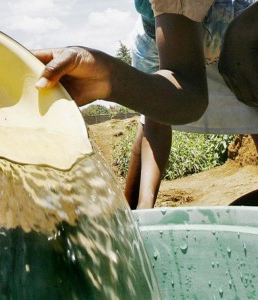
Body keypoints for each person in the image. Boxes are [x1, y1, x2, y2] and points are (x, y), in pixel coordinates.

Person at [34, 0, 258, 209]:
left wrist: (244, 31)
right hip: (177, 43)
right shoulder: (151, 46)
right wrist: (109, 79)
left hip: (238, 38)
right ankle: (131, 213)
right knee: (152, 112)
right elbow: (177, 105)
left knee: (248, 88)